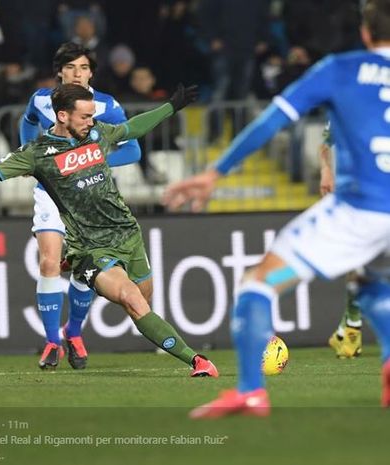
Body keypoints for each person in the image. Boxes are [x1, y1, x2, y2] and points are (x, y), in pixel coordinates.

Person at [163, 0, 390, 417]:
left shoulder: (341, 68)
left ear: (365, 31)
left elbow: (273, 120)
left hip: (361, 214)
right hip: (376, 231)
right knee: (373, 279)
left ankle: (251, 390)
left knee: (259, 286)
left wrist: (215, 173)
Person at [0, 83, 219, 378]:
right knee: (132, 300)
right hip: (91, 248)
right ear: (62, 115)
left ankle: (72, 327)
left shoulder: (98, 133)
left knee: (144, 298)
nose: (90, 122)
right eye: (84, 116)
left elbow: (133, 129)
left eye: (92, 115)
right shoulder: (37, 154)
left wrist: (171, 106)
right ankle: (198, 361)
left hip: (128, 236)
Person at [19, 42, 142, 370]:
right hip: (51, 192)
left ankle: (73, 331)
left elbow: (133, 151)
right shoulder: (42, 100)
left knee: (83, 269)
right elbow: (28, 121)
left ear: (91, 72)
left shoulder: (106, 105)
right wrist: (29, 151)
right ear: (59, 71)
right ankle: (50, 342)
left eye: (84, 68)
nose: (78, 73)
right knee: (48, 262)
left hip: (91, 196)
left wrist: (90, 161)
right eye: (72, 68)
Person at [318, 122, 363, 358]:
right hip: (357, 193)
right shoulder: (351, 96)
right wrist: (326, 169)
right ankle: (352, 329)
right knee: (359, 260)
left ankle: (344, 330)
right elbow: (326, 142)